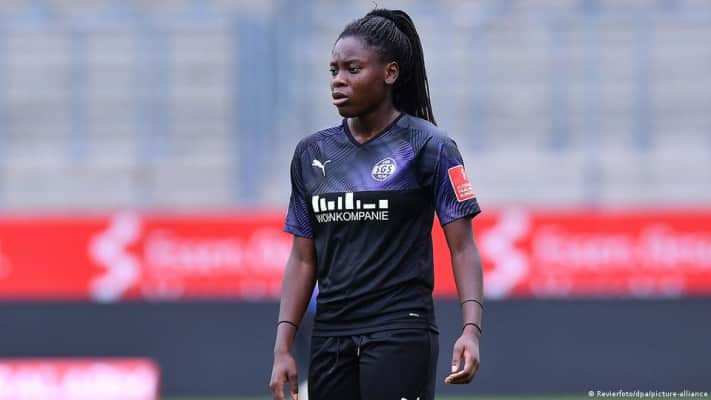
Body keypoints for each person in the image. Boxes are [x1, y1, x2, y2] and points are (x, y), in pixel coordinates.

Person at [269, 8, 484, 400]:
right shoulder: (312, 153)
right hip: (331, 335)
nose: (338, 79)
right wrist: (283, 347)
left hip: (400, 329)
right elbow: (302, 258)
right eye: (334, 70)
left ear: (390, 73)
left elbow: (463, 247)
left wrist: (471, 330)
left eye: (353, 69)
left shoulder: (430, 147)